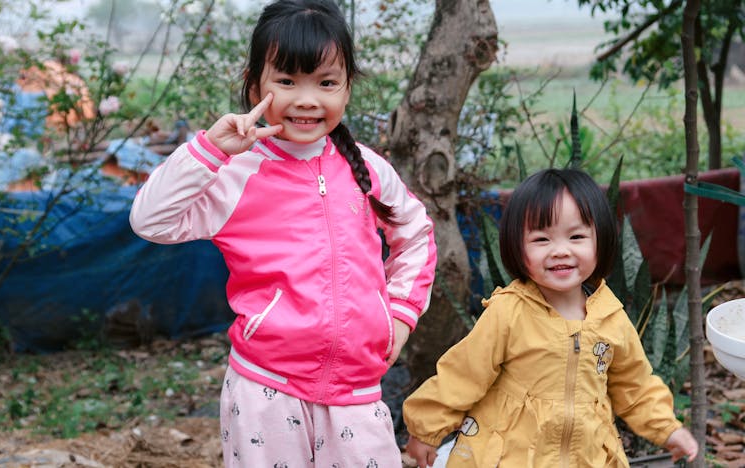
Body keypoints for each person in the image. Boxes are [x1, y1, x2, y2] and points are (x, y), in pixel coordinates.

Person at [129, 0, 437, 466]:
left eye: (326, 82)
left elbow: (415, 232)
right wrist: (211, 149)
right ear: (256, 85)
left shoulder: (367, 169)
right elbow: (150, 221)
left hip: (356, 390)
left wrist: (400, 311)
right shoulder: (234, 174)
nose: (307, 99)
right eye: (288, 81)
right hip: (265, 391)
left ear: (348, 87)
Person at [402, 168, 698, 467]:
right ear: (518, 246)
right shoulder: (509, 312)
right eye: (542, 239)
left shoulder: (611, 317)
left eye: (577, 236)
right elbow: (463, 375)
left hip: (586, 457)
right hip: (511, 456)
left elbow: (635, 385)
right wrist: (425, 429)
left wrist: (667, 429)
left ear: (601, 240)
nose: (560, 251)